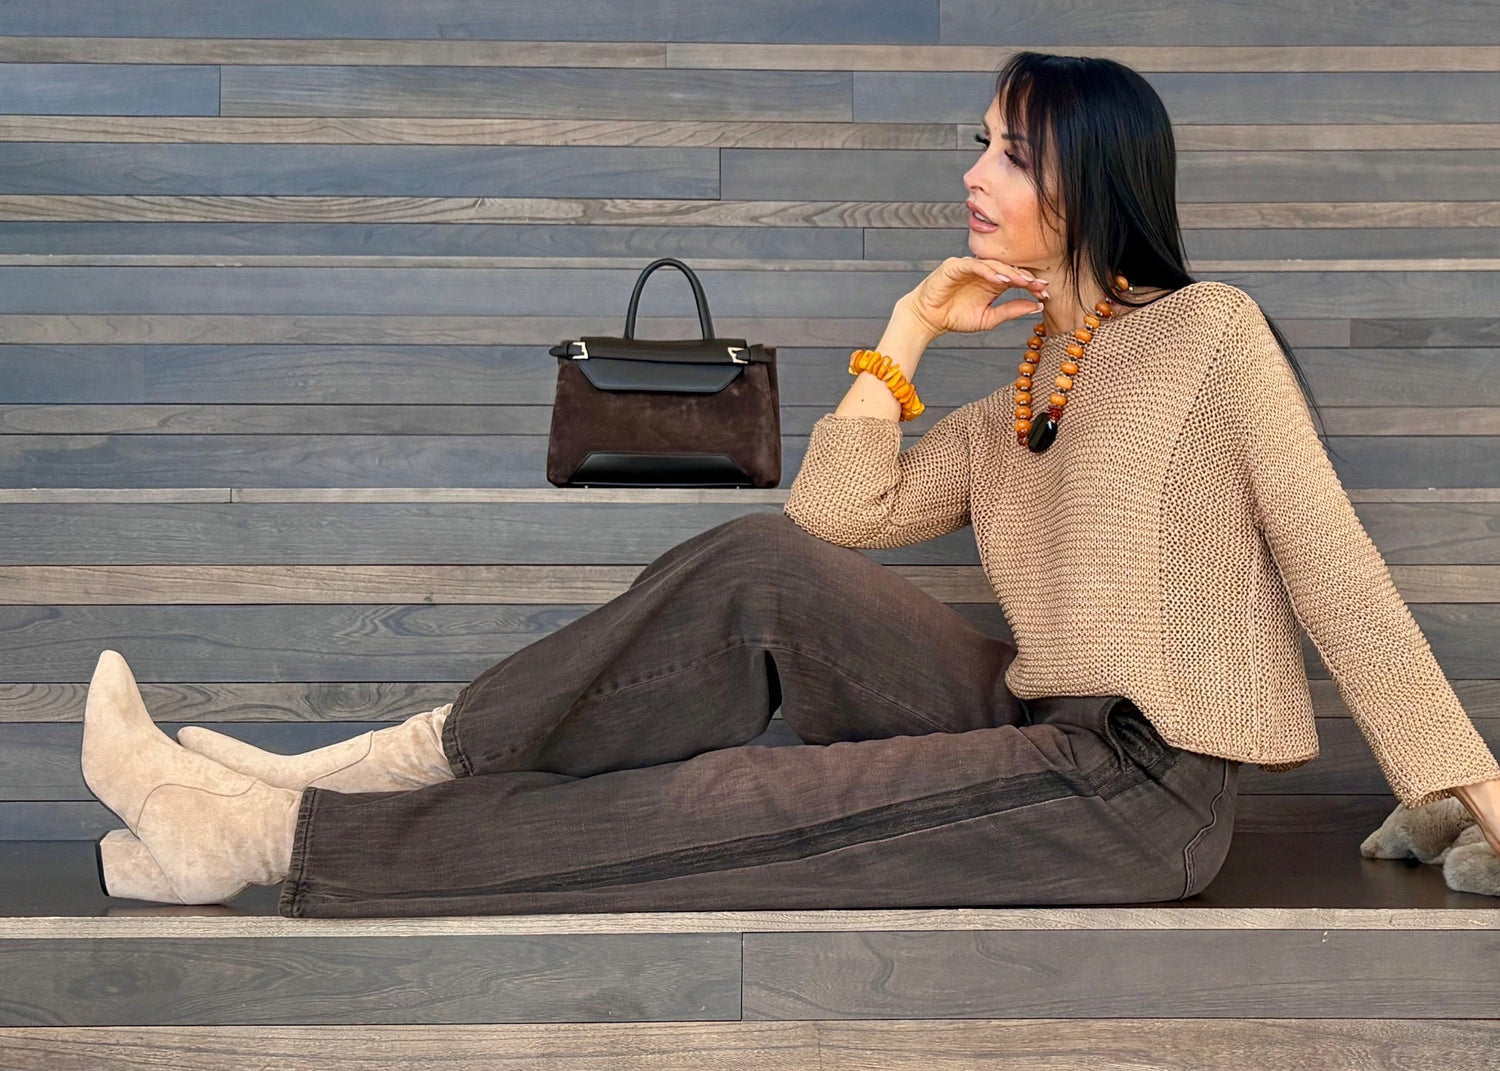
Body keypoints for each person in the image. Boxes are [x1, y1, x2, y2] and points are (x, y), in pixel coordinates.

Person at [81, 52, 1500, 916]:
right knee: (760, 562)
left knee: (720, 805)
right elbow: (830, 530)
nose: (975, 170)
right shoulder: (1021, 391)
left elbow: (1332, 564)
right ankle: (353, 766)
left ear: (1091, 172)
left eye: (1008, 148)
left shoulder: (1209, 334)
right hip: (1031, 710)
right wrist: (905, 335)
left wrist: (1473, 783)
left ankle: (263, 831)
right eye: (982, 142)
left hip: (1137, 788)